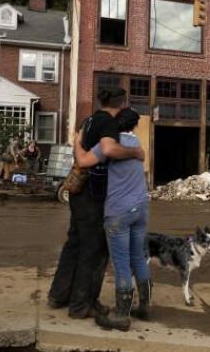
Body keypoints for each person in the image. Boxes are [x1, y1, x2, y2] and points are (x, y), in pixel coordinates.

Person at [47, 87, 144, 319]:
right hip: (94, 195)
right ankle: (82, 305)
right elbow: (109, 149)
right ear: (121, 104)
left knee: (75, 244)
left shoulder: (89, 120)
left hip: (78, 192)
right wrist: (134, 152)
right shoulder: (108, 123)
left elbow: (78, 145)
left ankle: (59, 295)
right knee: (95, 249)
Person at [74, 107, 151, 331]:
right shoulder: (138, 146)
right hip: (141, 208)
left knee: (121, 263)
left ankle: (121, 315)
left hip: (119, 211)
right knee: (138, 256)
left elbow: (83, 162)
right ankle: (145, 306)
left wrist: (77, 140)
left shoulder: (109, 145)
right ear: (134, 125)